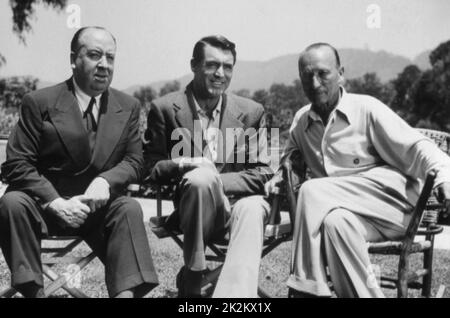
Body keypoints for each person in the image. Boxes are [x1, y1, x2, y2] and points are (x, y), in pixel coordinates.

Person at [265, 42, 450, 298]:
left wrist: (443, 176)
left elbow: (417, 147)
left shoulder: (367, 108)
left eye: (323, 73)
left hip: (392, 209)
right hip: (349, 215)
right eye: (307, 76)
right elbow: (288, 160)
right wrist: (278, 179)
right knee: (334, 223)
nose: (315, 82)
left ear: (341, 73)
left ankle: (307, 289)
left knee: (312, 191)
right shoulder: (301, 121)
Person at [0, 26, 159, 298]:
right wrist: (55, 201)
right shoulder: (39, 102)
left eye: (110, 57)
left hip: (98, 210)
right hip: (44, 209)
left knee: (129, 208)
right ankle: (33, 292)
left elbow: (135, 161)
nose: (104, 65)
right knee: (12, 202)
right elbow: (16, 164)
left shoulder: (128, 106)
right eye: (95, 55)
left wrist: (104, 181)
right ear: (73, 59)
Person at [144, 35, 273, 297]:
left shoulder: (252, 111)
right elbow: (149, 168)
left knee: (253, 205)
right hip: (192, 212)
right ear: (194, 65)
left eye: (228, 67)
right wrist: (185, 164)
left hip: (239, 208)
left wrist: (214, 180)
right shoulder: (165, 108)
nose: (220, 74)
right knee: (200, 179)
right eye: (212, 65)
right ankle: (194, 272)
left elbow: (264, 171)